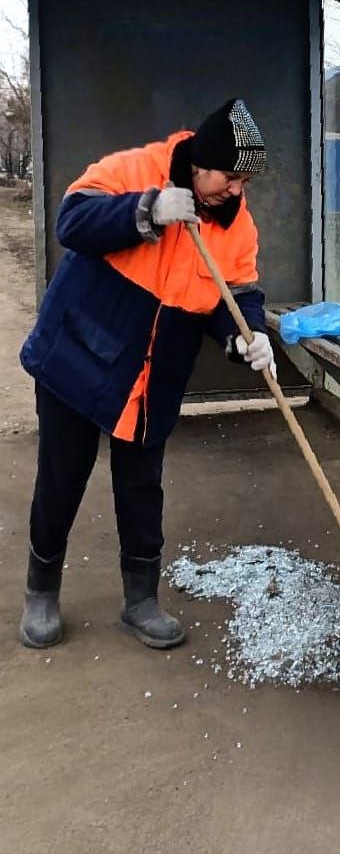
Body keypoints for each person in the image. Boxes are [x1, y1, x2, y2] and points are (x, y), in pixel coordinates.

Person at [17, 99, 276, 651]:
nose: (235, 190)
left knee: (141, 486)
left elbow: (238, 298)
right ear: (201, 162)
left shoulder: (237, 226)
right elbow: (72, 221)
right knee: (63, 475)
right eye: (229, 177)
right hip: (79, 355)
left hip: (152, 374)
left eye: (243, 181)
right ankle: (41, 590)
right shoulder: (137, 169)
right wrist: (148, 209)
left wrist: (247, 339)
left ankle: (141, 601)